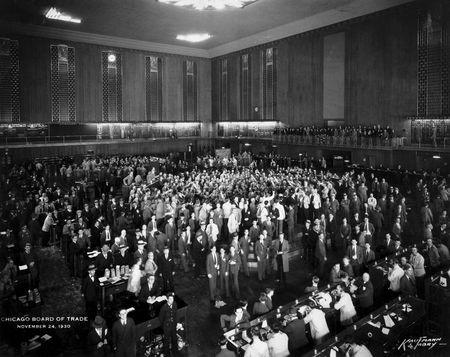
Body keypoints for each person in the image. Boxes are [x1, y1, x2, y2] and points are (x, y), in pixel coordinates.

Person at [159, 292, 178, 356]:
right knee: (166, 342)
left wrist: (176, 323)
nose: (171, 300)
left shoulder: (175, 304)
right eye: (170, 299)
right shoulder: (164, 308)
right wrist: (164, 327)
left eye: (172, 299)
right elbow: (161, 319)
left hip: (173, 326)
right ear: (167, 300)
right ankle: (166, 354)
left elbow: (175, 315)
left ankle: (175, 352)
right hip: (166, 327)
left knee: (174, 339)